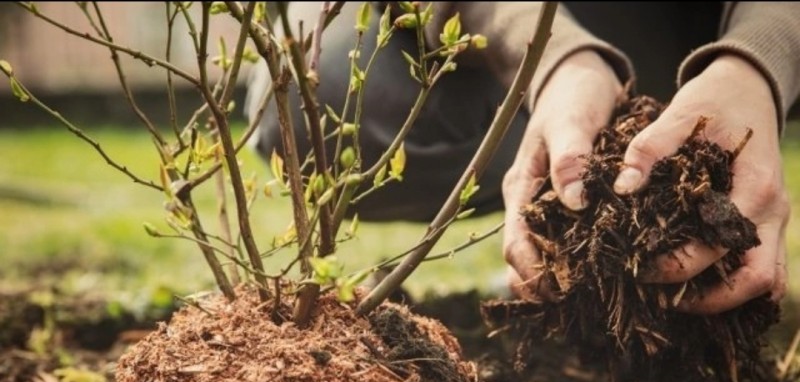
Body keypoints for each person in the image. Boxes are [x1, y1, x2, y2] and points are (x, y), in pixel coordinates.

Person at [246, 2, 799, 314]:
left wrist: (760, 62)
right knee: (305, 91)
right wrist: (557, 59)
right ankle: (584, 121)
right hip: (545, 19)